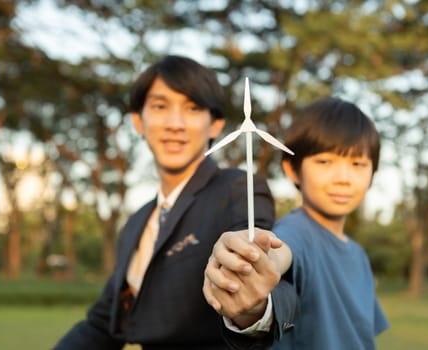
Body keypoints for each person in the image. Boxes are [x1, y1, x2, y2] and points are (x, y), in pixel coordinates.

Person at [53, 55, 294, 350]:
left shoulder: (237, 189)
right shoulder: (135, 225)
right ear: (138, 121)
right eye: (160, 106)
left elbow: (260, 263)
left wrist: (253, 302)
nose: (175, 124)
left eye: (192, 108)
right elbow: (104, 322)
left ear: (216, 124)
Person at [204, 97, 390, 349]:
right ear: (292, 169)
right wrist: (257, 259)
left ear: (372, 174)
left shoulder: (358, 255)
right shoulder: (297, 232)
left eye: (358, 164)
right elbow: (281, 253)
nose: (343, 178)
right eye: (325, 161)